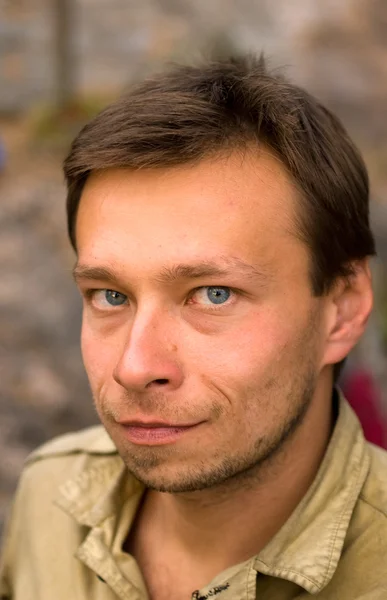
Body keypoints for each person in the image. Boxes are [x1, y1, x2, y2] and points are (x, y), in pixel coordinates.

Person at [1, 54, 386, 600]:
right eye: (110, 296)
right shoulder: (50, 500)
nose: (135, 367)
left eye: (213, 294)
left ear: (342, 310)